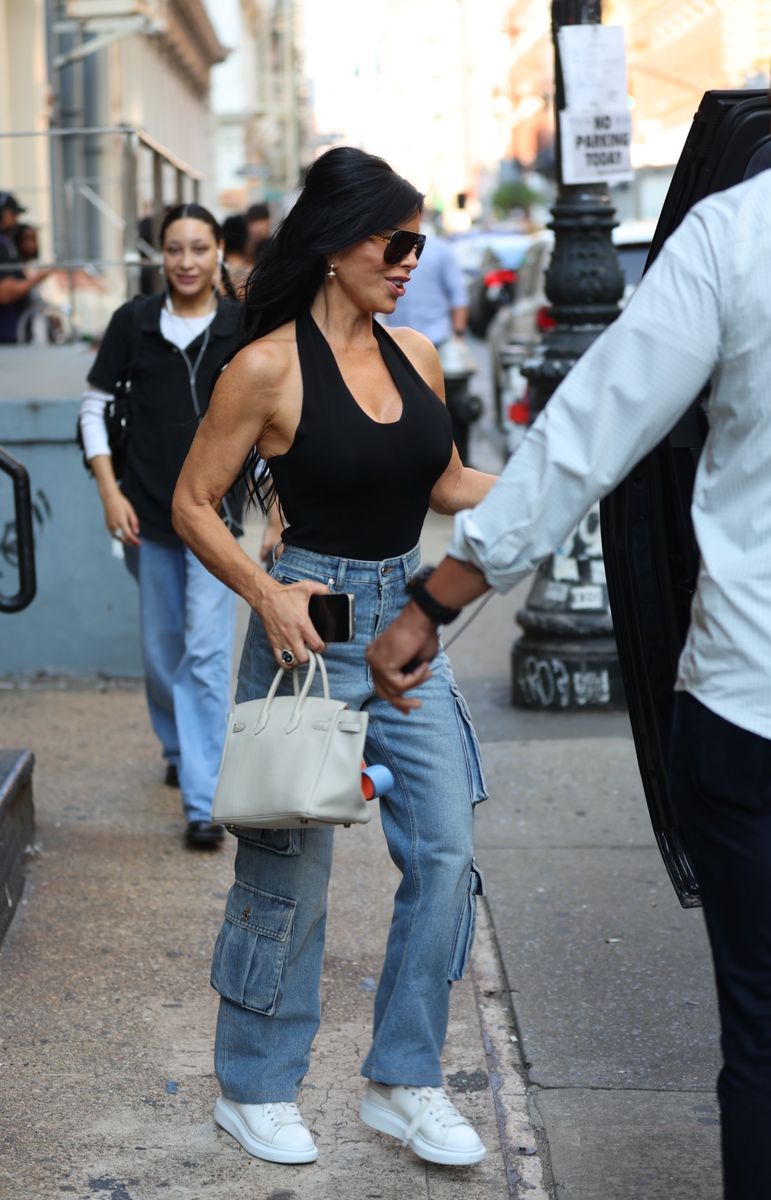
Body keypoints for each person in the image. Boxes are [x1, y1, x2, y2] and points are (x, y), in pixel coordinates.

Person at [367, 21, 771, 1200]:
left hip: (760, 702)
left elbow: (585, 437)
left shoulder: (738, 232)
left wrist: (437, 597)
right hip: (756, 703)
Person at [171, 146, 496, 1167]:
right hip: (308, 632)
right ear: (333, 247)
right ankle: (254, 1087)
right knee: (291, 871)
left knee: (443, 853)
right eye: (393, 243)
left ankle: (404, 1080)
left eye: (417, 245)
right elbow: (191, 503)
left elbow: (443, 486)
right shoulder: (264, 367)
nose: (409, 262)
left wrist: (566, 484)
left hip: (407, 626)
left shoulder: (418, 356)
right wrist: (263, 592)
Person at [79, 203, 244, 849]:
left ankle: (204, 804)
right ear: (160, 255)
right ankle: (179, 747)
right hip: (146, 511)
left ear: (219, 250)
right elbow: (94, 407)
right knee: (161, 653)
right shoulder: (134, 323)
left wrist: (279, 512)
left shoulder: (241, 325)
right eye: (174, 249)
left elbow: (276, 419)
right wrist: (107, 491)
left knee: (205, 656)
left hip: (217, 517)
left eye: (199, 248)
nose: (185, 262)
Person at [383, 218, 474, 460]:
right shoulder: (441, 250)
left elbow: (458, 297)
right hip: (410, 343)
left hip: (424, 344)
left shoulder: (431, 251)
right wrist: (458, 334)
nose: (411, 261)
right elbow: (459, 296)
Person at [0, 191, 51, 343]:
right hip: (5, 336)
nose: (16, 219)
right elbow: (3, 293)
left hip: (14, 333)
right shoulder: (2, 246)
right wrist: (36, 279)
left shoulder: (7, 243)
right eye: (12, 213)